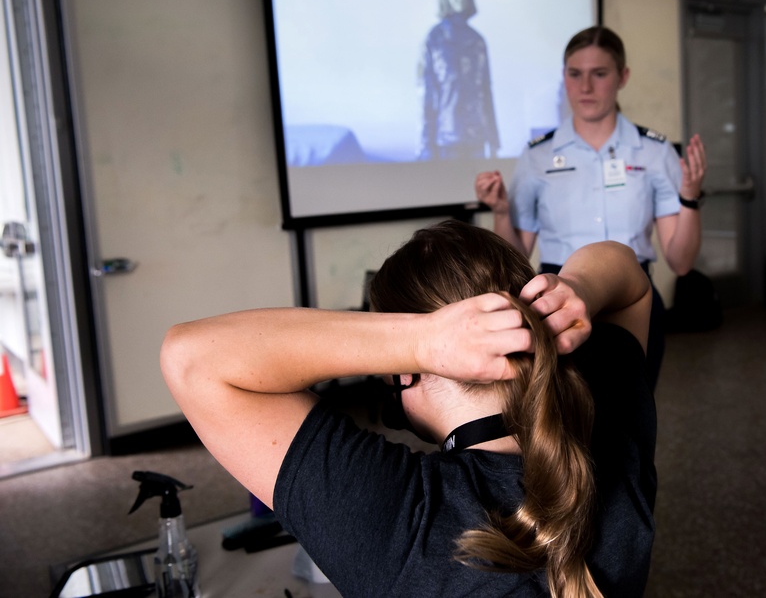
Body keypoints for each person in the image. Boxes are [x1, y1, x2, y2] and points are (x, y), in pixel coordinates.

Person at [161, 219, 656, 597]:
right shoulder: (608, 426)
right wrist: (579, 290)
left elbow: (191, 357)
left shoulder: (399, 515)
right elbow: (629, 276)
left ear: (403, 371)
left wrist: (417, 340)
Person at [474, 25, 707, 386]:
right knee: (564, 421)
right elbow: (516, 257)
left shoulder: (654, 151)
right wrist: (502, 212)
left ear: (622, 77)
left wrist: (689, 197)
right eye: (575, 74)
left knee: (632, 420)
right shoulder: (538, 154)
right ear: (564, 77)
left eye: (599, 74)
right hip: (557, 300)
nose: (585, 87)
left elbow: (681, 261)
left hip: (634, 299)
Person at [418, 0, 500, 160]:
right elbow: (427, 96)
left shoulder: (478, 41)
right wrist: (425, 144)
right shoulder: (434, 39)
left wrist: (494, 141)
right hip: (446, 139)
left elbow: (486, 92)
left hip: (477, 137)